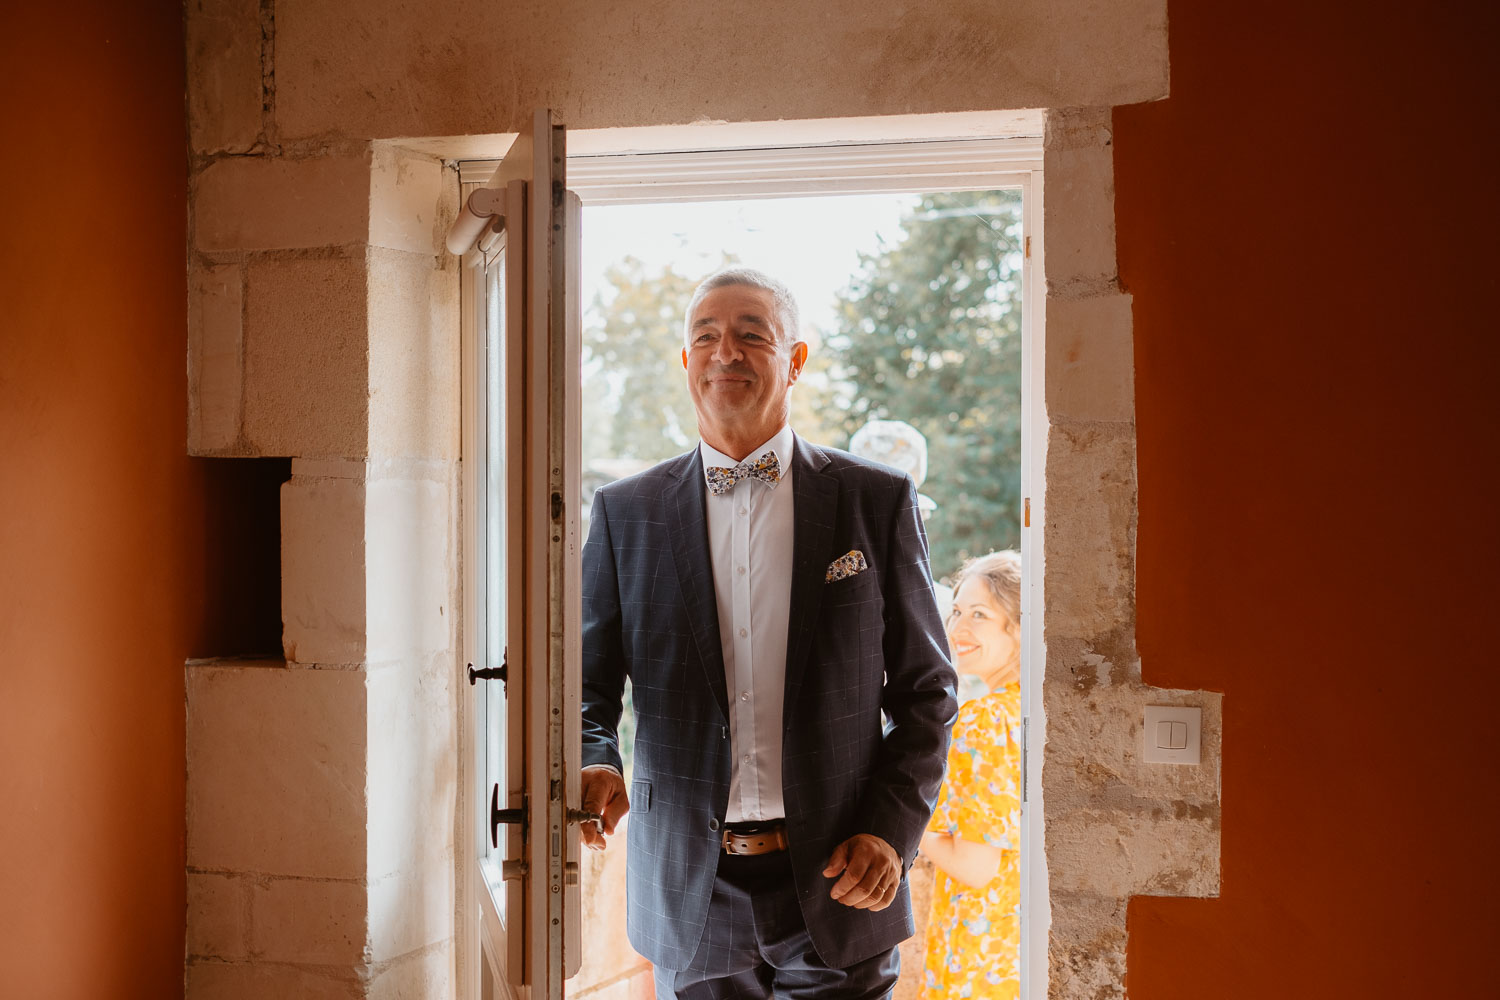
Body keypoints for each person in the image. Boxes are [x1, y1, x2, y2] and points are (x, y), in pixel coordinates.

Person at [580, 266, 959, 999]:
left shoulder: (875, 499)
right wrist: (596, 757)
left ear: (795, 360)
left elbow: (927, 691)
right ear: (686, 363)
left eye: (752, 336)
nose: (727, 352)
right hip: (689, 890)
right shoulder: (626, 513)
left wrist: (890, 830)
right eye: (706, 337)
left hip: (840, 876)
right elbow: (589, 684)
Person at [919, 550, 1023, 1000]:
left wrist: (894, 820)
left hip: (976, 952)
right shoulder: (1030, 712)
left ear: (1019, 627)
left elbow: (974, 866)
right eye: (958, 610)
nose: (957, 629)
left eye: (979, 614)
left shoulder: (988, 720)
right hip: (1013, 950)